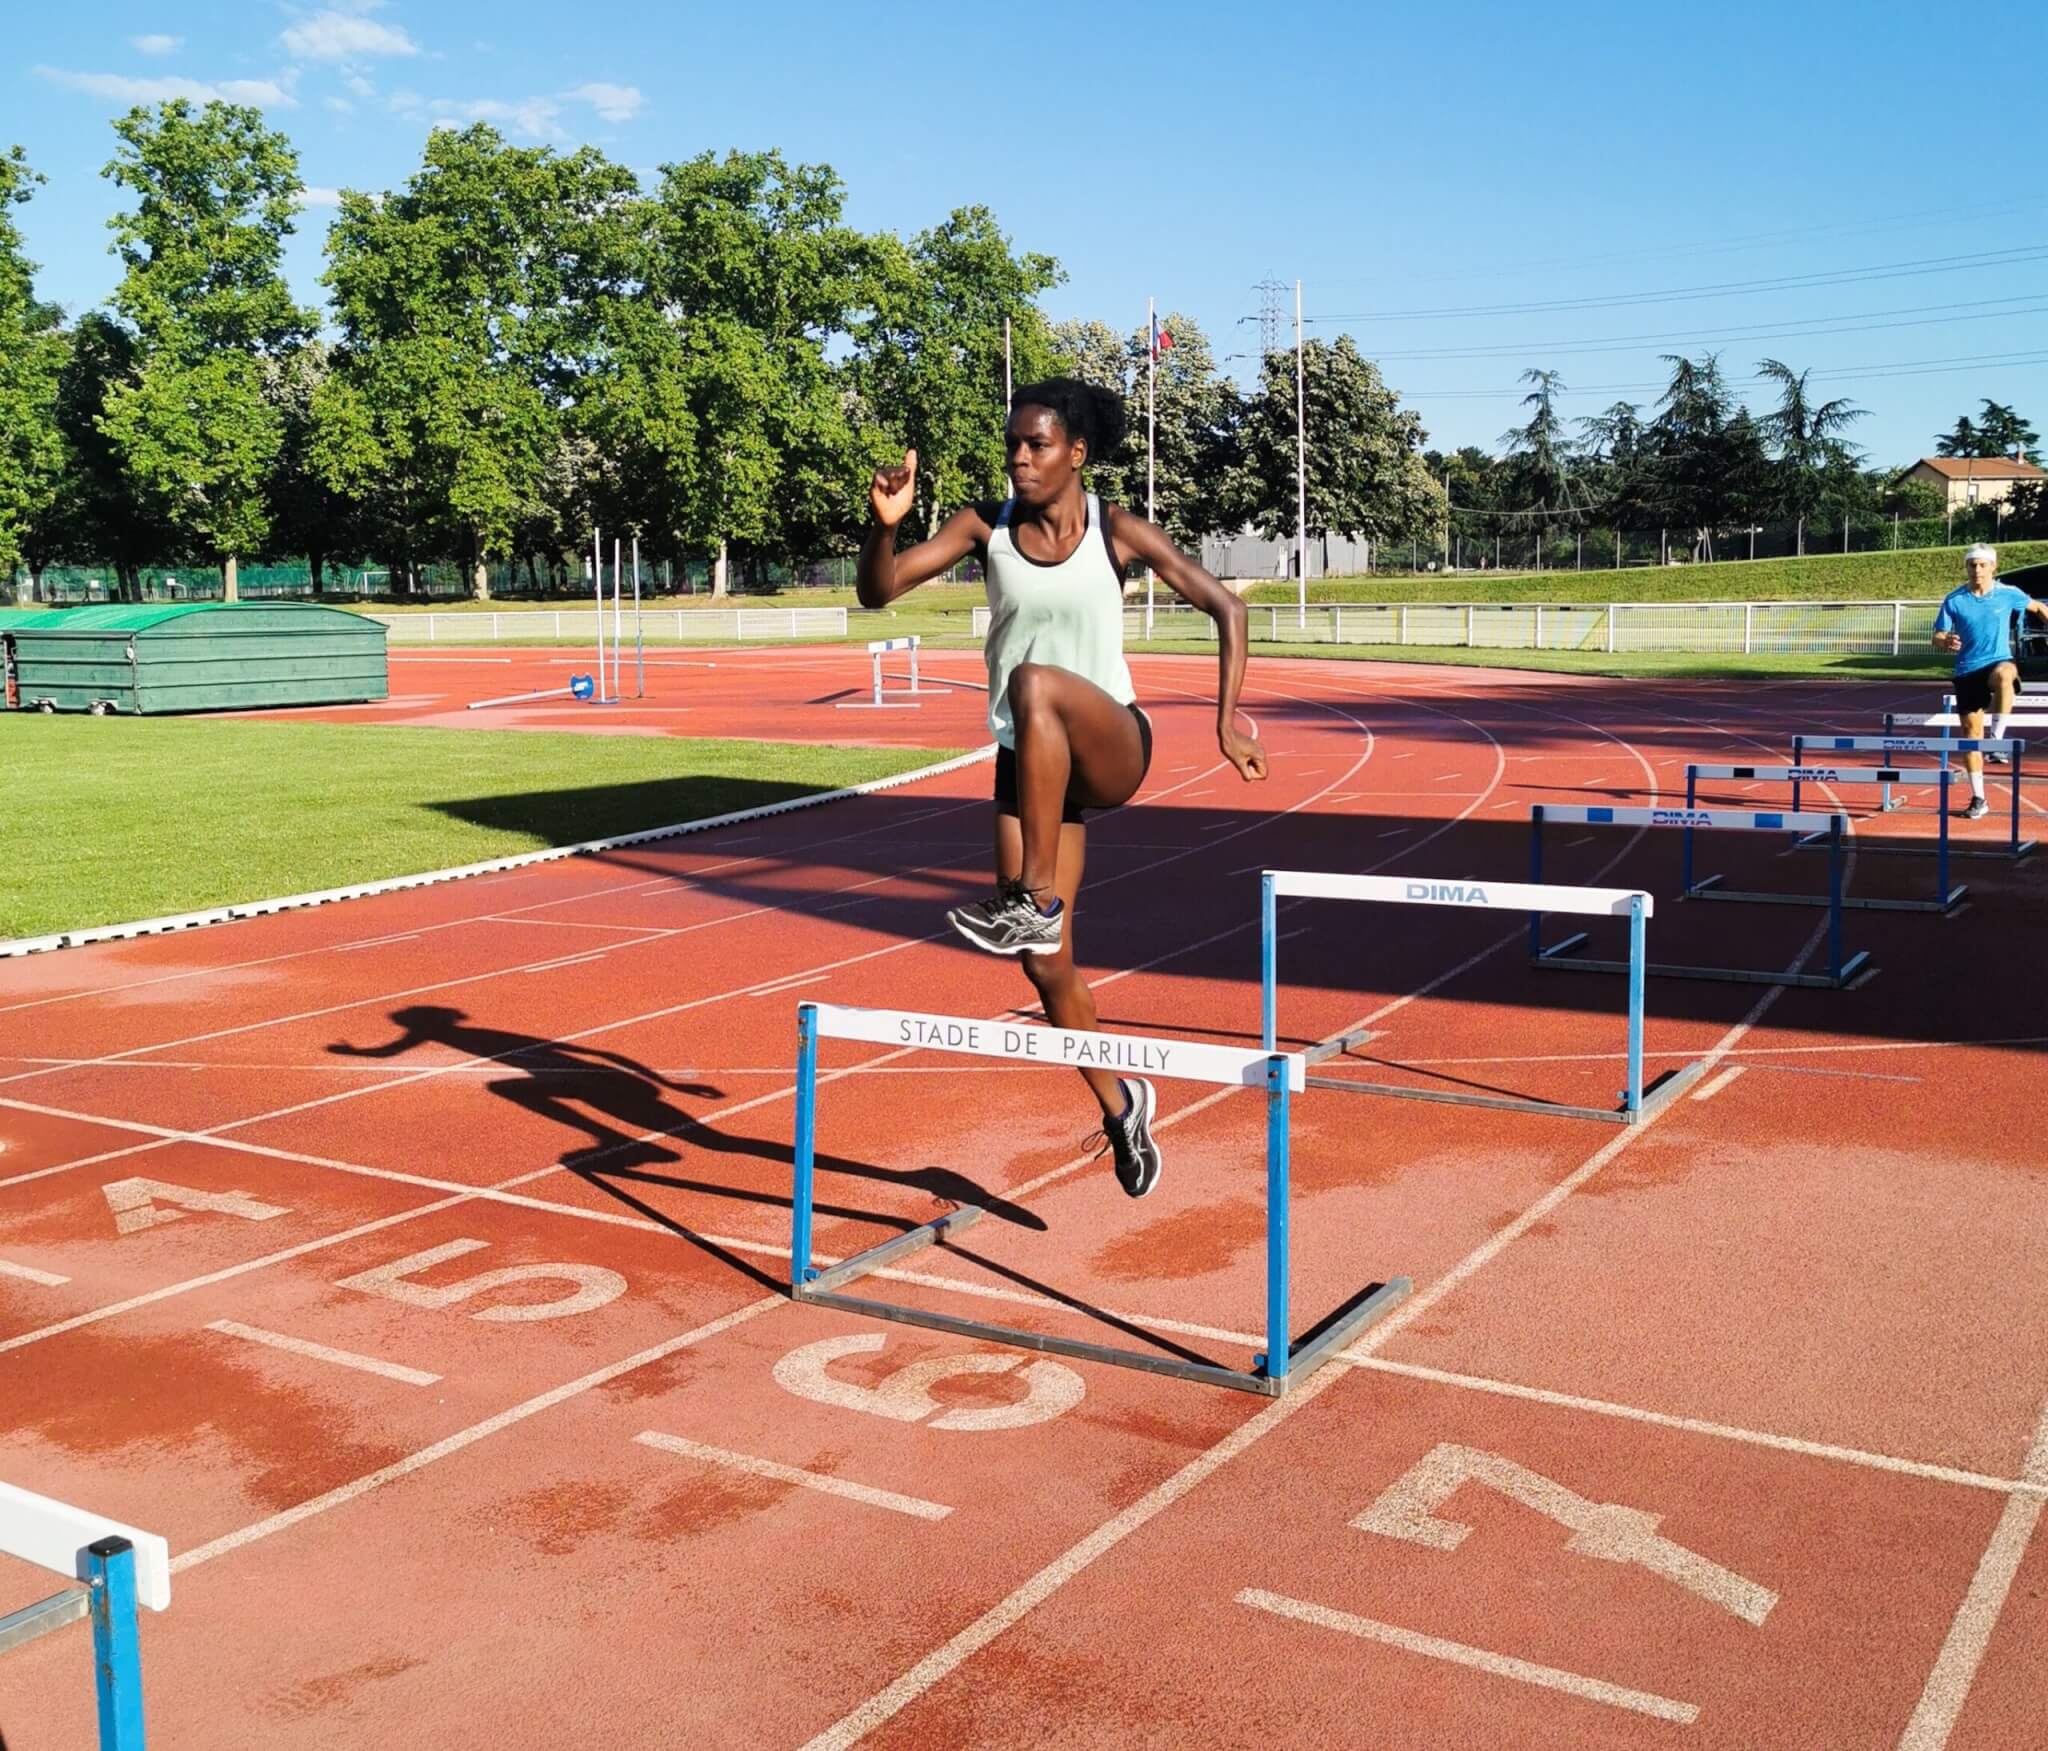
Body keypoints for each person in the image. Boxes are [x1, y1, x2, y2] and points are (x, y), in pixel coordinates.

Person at [856, 378, 1266, 1198]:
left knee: (1037, 683)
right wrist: (884, 525)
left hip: (1110, 742)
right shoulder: (985, 527)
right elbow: (878, 590)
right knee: (1045, 967)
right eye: (1011, 444)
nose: (1018, 458)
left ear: (1075, 453)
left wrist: (1226, 721)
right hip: (1031, 771)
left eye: (1036, 445)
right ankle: (1123, 1106)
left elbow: (1226, 607)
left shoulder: (1113, 531)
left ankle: (1033, 900)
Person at [1931, 544, 2048, 819]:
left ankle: (1997, 737)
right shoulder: (1954, 600)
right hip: (1967, 670)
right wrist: (1945, 640)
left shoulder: (2009, 594)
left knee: (2006, 674)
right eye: (1972, 565)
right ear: (1967, 568)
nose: (1977, 570)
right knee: (1971, 737)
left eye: (1983, 565)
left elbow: (2039, 608)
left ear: (1993, 567)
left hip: (1998, 661)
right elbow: (1937, 635)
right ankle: (1979, 797)